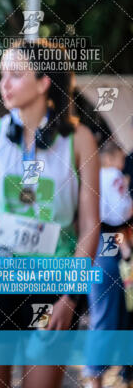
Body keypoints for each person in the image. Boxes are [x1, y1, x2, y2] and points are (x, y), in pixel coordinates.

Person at [0, 39, 100, 388]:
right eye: (3, 75)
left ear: (44, 81)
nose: (4, 84)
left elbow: (91, 225)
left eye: (16, 75)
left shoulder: (80, 140)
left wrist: (69, 297)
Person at [84, 138, 132, 388]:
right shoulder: (111, 174)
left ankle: (97, 378)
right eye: (122, 158)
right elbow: (121, 211)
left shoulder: (90, 176)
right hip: (107, 250)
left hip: (93, 250)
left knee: (102, 316)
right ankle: (95, 379)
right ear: (112, 157)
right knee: (105, 317)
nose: (123, 164)